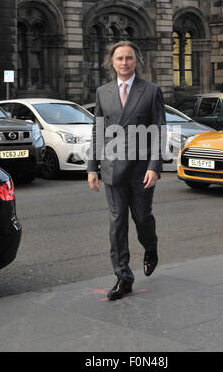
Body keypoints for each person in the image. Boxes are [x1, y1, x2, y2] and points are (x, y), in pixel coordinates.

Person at [87, 41, 166, 301]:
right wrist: (92, 167)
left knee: (142, 218)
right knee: (117, 223)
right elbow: (97, 131)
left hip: (142, 169)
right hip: (112, 169)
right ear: (112, 62)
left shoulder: (151, 91)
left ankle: (150, 247)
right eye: (119, 58)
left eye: (129, 58)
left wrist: (155, 167)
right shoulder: (103, 92)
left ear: (136, 61)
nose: (124, 63)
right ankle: (123, 277)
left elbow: (159, 131)